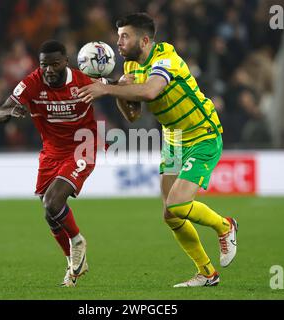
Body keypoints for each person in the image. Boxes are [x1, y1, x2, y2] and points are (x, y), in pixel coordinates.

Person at [78, 13, 238, 287]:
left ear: (144, 40)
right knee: (170, 214)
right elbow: (132, 115)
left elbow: (151, 92)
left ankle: (225, 226)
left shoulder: (166, 57)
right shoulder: (131, 64)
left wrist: (108, 91)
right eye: (118, 36)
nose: (118, 42)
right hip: (174, 139)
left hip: (202, 134)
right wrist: (114, 87)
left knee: (178, 203)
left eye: (124, 36)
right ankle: (207, 273)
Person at [0, 40, 98, 287]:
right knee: (50, 214)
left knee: (53, 201)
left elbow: (117, 93)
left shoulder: (84, 82)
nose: (48, 69)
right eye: (44, 65)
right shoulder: (31, 82)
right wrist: (9, 113)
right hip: (51, 153)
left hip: (82, 147)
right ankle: (73, 264)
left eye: (54, 64)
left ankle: (78, 242)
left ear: (65, 62)